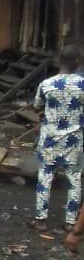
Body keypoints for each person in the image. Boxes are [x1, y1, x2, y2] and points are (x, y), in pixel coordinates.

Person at [32, 46, 84, 231]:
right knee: (75, 180)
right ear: (78, 61)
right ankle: (71, 222)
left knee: (45, 178)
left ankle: (40, 220)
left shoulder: (46, 84)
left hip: (49, 139)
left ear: (58, 61)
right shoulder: (82, 84)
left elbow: (37, 106)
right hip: (74, 141)